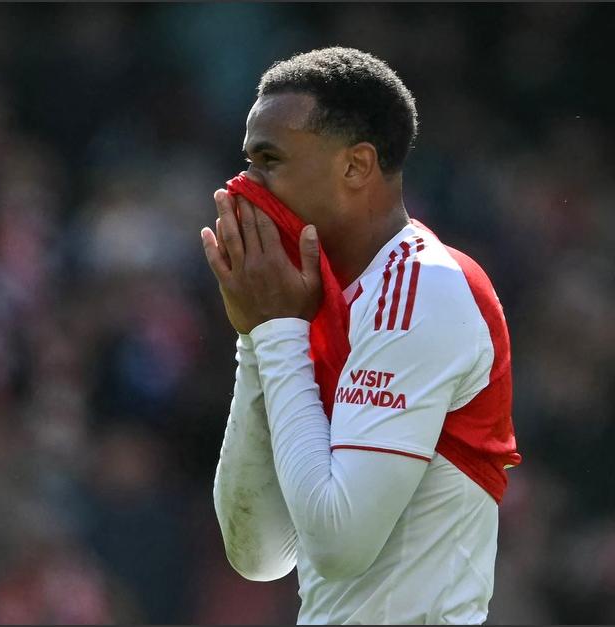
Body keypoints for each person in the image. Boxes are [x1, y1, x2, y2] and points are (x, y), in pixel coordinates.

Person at [201, 47, 522, 625]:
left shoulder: (422, 289)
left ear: (355, 166)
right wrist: (257, 337)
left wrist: (275, 332)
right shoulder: (315, 299)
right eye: (247, 161)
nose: (245, 185)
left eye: (269, 160)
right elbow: (260, 553)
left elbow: (338, 546)